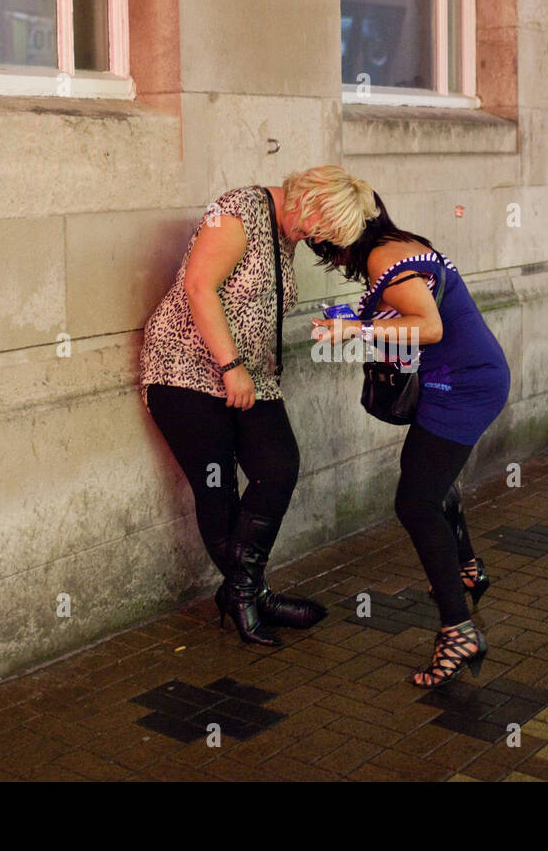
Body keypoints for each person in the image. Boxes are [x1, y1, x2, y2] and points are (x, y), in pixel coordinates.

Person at [139, 167, 380, 646]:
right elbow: (198, 286)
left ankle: (245, 590)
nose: (317, 240)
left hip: (252, 377)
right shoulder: (237, 211)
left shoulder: (285, 228)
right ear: (309, 200)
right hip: (186, 370)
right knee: (219, 489)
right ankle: (250, 595)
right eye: (321, 228)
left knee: (278, 465)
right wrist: (231, 366)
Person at [308, 195, 511, 688]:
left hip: (462, 385)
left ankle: (457, 631)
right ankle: (464, 570)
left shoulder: (384, 257)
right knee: (432, 483)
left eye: (325, 246)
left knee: (415, 502)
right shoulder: (398, 245)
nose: (329, 258)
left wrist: (348, 328)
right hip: (462, 377)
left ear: (343, 234)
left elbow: (430, 327)